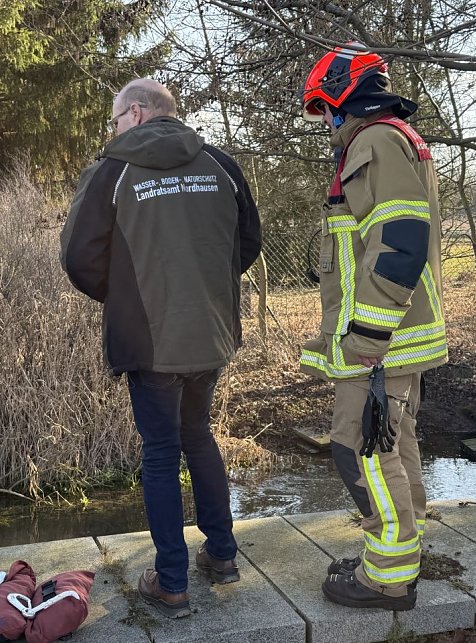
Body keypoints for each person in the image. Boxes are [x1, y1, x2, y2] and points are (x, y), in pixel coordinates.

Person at [60, 78, 261, 619]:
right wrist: (206, 290)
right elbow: (247, 243)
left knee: (160, 451)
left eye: (115, 119)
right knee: (198, 434)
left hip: (149, 339)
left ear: (138, 113)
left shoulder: (113, 171)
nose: (113, 129)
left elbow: (78, 256)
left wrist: (126, 295)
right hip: (210, 332)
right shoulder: (220, 164)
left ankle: (171, 581)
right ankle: (222, 554)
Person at [298, 45, 447, 611]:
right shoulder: (393, 138)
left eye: (325, 109)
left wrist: (367, 337)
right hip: (396, 336)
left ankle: (386, 578)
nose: (325, 123)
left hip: (380, 342)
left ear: (342, 95)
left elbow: (397, 244)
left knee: (358, 449)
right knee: (394, 445)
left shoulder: (375, 142)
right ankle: (401, 554)